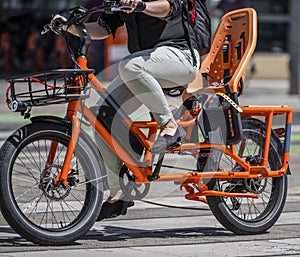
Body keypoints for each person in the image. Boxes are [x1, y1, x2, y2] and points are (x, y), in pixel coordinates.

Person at [53, 0, 201, 220]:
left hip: (181, 58)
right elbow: (104, 28)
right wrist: (69, 27)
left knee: (129, 65)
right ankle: (118, 193)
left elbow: (168, 7)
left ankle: (170, 126)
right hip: (143, 65)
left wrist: (141, 5)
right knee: (103, 115)